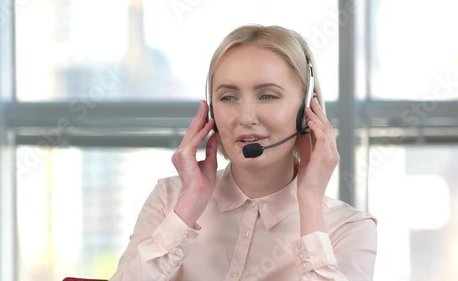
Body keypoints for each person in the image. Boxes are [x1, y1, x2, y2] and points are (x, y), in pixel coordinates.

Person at [109, 24, 377, 281]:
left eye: (268, 96)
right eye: (228, 97)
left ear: (308, 107)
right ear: (211, 109)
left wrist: (310, 204)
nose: (246, 117)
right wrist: (187, 209)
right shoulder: (169, 200)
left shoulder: (349, 228)